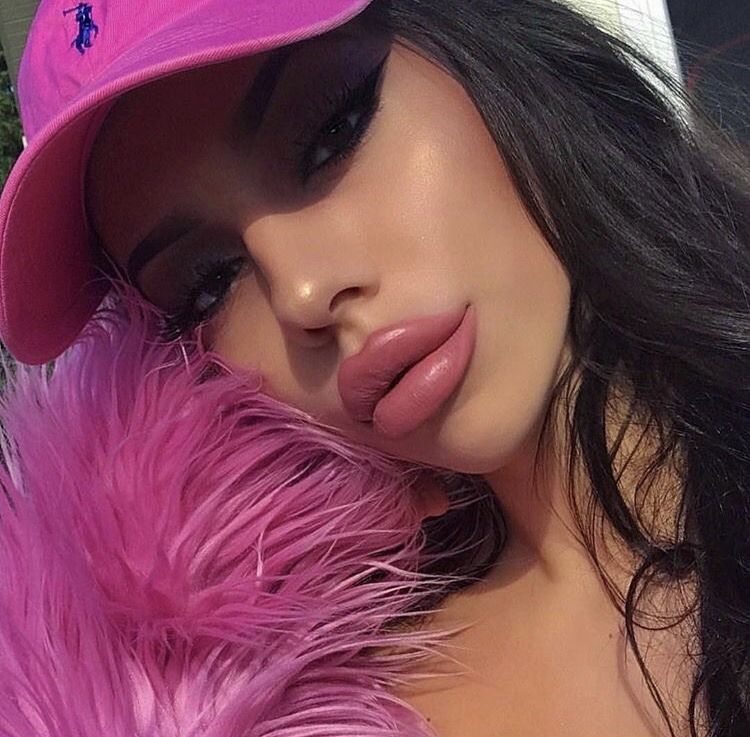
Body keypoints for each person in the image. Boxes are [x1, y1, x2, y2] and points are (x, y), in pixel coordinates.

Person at [0, 0, 748, 735]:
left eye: (333, 130)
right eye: (207, 282)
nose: (301, 292)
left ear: (495, 48)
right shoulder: (321, 709)